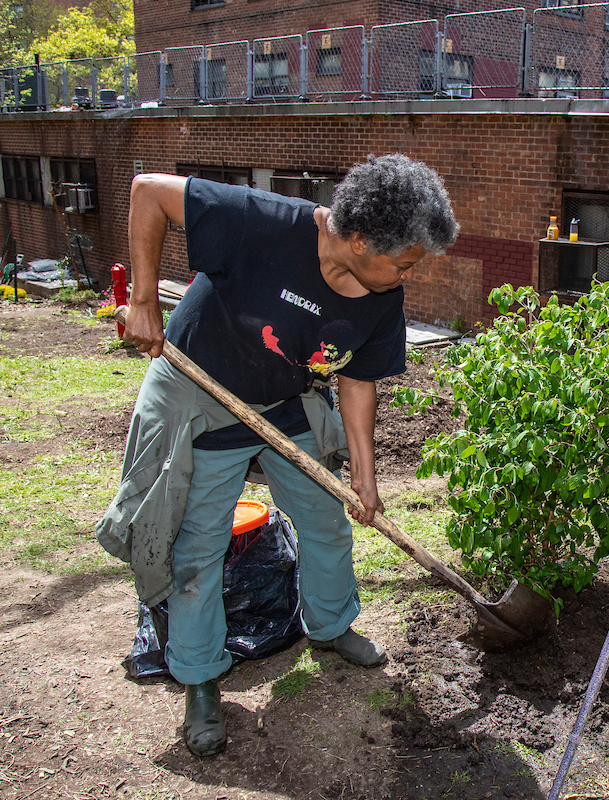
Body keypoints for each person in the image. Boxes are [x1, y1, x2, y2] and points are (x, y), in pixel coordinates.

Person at [97, 154, 458, 758]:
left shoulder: (380, 298)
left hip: (283, 397)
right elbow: (148, 192)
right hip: (203, 389)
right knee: (198, 546)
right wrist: (142, 299)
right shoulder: (265, 223)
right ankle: (200, 676)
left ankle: (331, 624)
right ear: (361, 239)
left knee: (325, 520)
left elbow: (358, 382)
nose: (406, 277)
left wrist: (366, 481)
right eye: (403, 264)